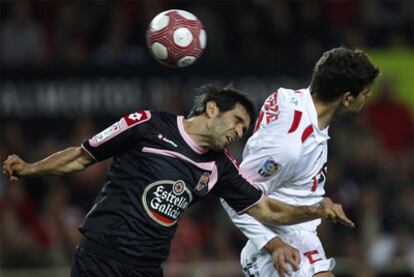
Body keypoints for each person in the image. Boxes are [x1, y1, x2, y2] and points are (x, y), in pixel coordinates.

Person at [3, 84, 353, 277]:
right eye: (236, 121)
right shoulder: (147, 125)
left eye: (244, 129)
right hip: (102, 257)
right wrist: (32, 168)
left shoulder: (220, 167)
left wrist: (315, 209)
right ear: (212, 108)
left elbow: (266, 210)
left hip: (147, 268)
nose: (238, 132)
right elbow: (82, 155)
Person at [221, 47, 380, 277]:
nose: (366, 100)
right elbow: (232, 194)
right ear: (346, 98)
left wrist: (313, 197)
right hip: (279, 249)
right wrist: (274, 246)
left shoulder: (290, 98)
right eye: (365, 94)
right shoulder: (290, 144)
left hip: (301, 240)